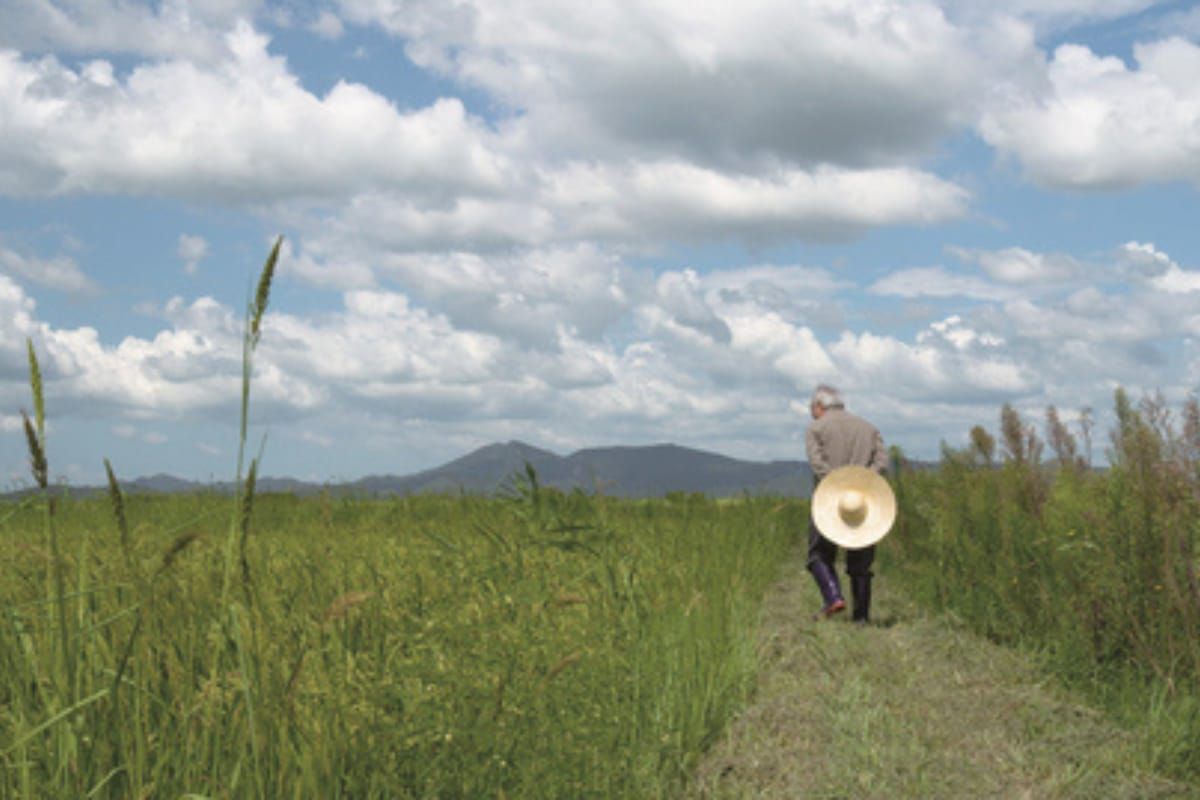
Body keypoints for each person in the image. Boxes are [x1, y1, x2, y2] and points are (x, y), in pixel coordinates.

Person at [805, 384, 888, 623]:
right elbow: (882, 461)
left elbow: (817, 463)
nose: (811, 412)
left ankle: (833, 597)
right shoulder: (868, 428)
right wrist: (863, 481)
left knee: (818, 554)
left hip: (828, 500)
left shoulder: (816, 428)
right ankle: (861, 618)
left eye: (812, 408)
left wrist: (837, 484)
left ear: (820, 406)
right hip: (863, 501)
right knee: (861, 562)